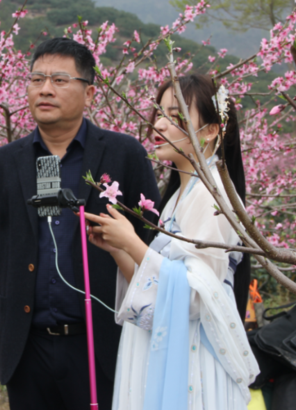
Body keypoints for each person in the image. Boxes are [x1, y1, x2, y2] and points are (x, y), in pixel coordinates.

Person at [0, 37, 161, 410]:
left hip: (102, 345)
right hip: (28, 348)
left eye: (60, 80)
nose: (45, 89)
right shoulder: (4, 163)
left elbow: (149, 242)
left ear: (90, 93)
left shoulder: (124, 154)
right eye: (36, 79)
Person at [84, 74, 259, 410]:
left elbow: (196, 296)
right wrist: (120, 248)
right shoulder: (180, 195)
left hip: (193, 356)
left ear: (210, 130)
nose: (159, 125)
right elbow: (155, 283)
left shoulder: (212, 196)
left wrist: (134, 242)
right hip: (169, 345)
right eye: (159, 114)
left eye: (175, 116)